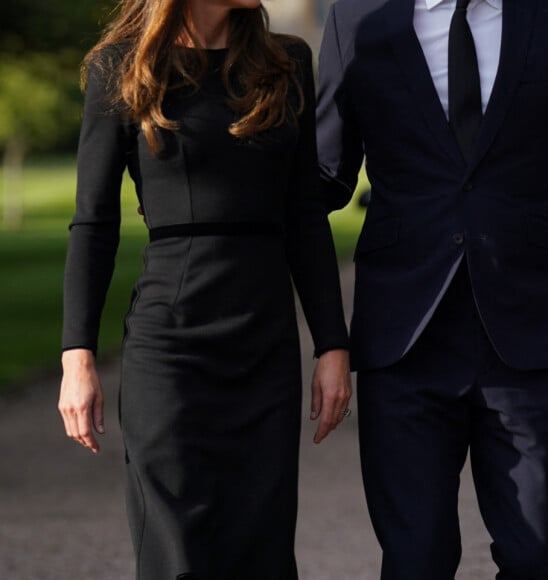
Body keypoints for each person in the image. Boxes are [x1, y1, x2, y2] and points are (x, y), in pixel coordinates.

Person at [58, 1, 352, 579]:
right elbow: (93, 223)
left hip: (263, 342)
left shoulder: (286, 63)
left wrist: (331, 345)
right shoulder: (120, 67)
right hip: (170, 345)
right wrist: (77, 356)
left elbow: (305, 217)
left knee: (261, 547)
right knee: (177, 552)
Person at [317, 0, 548, 578]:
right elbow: (323, 174)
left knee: (543, 557)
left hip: (531, 336)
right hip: (404, 337)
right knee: (415, 561)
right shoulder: (357, 18)